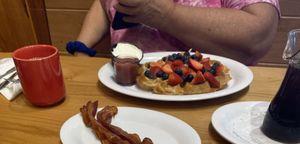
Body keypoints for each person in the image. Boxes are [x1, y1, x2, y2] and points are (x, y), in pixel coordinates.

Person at [72, 0, 280, 64]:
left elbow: (258, 35)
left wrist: (164, 14)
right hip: (123, 89)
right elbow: (103, 3)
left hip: (208, 103)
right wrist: (82, 46)